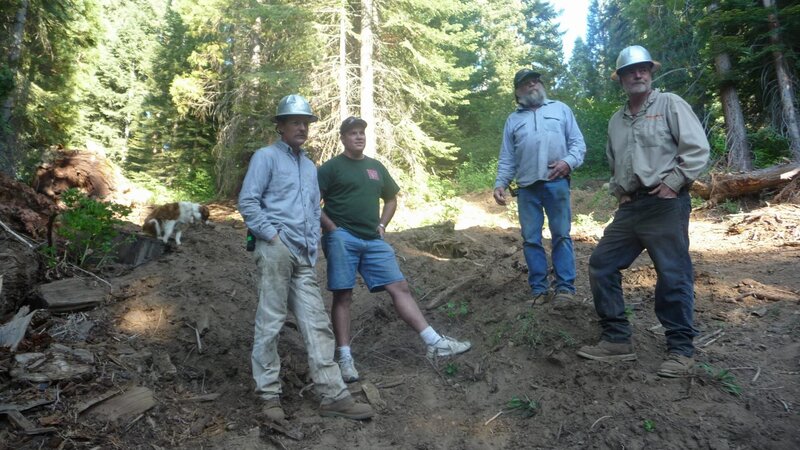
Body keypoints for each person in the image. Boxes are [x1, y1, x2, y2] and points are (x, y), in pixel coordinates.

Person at [576, 46, 710, 377]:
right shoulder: (616, 121)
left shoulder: (670, 104)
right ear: (621, 78)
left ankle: (680, 350)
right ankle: (617, 339)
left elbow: (696, 149)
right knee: (601, 264)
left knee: (673, 274)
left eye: (644, 69)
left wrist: (673, 183)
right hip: (631, 207)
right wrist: (619, 192)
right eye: (631, 71)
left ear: (650, 73)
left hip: (666, 203)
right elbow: (614, 162)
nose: (638, 74)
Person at [238, 94, 373, 421]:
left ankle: (333, 394)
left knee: (317, 323)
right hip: (275, 248)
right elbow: (248, 202)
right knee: (270, 322)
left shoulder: (308, 167)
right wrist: (273, 236)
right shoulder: (266, 157)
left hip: (303, 253)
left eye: (306, 122)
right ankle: (269, 396)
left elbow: (314, 210)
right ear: (281, 126)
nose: (301, 127)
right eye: (295, 121)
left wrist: (312, 246)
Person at [318, 116, 471, 383]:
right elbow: (310, 202)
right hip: (343, 239)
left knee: (399, 287)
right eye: (352, 133)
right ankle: (344, 358)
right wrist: (332, 229)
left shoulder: (375, 167)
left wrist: (382, 225)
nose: (359, 137)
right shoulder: (331, 168)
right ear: (342, 138)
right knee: (343, 295)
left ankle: (435, 342)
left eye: (362, 132)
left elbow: (390, 198)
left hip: (373, 240)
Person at [493, 68, 587, 305]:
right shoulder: (513, 120)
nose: (533, 84)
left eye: (535, 80)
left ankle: (565, 289)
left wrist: (567, 162)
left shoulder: (560, 109)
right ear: (517, 92)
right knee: (531, 239)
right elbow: (507, 157)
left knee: (561, 236)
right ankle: (539, 289)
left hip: (557, 184)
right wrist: (500, 183)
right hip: (526, 189)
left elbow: (578, 144)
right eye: (526, 83)